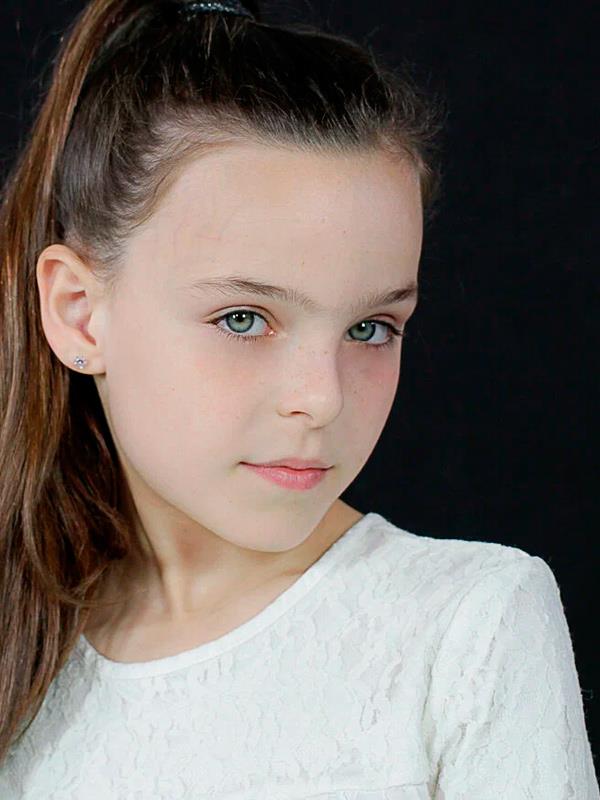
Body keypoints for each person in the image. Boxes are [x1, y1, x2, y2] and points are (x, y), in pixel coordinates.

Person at [0, 0, 597, 797]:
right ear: (79, 313)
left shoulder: (467, 629)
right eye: (244, 318)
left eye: (371, 328)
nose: (321, 400)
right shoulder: (24, 653)